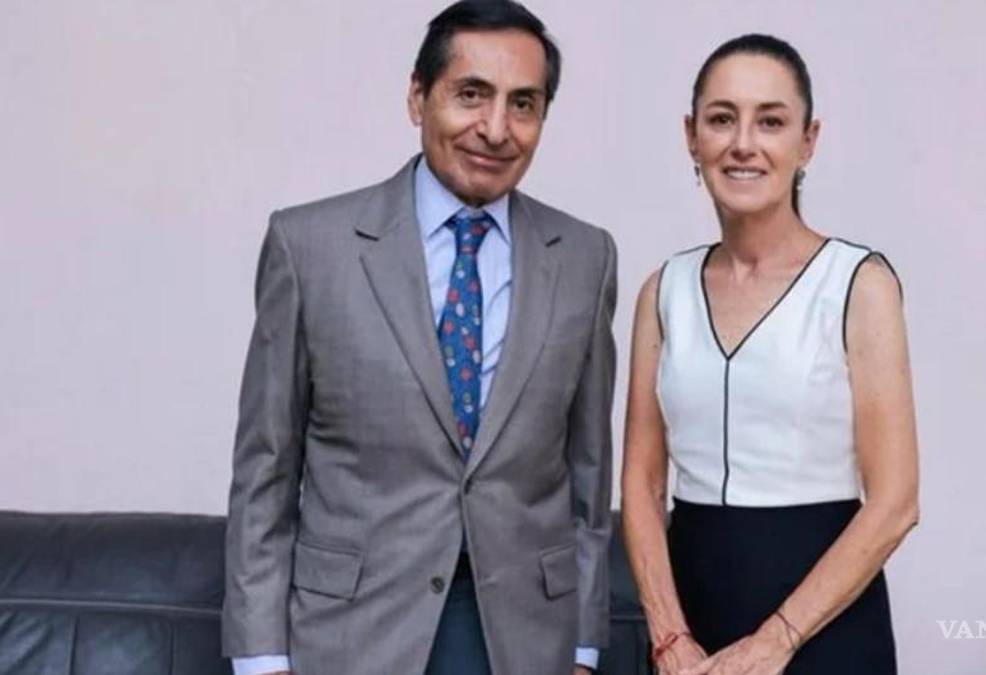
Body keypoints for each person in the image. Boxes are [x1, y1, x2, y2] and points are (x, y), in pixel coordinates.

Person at [221, 2, 615, 674]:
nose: (496, 128)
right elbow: (266, 472)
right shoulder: (309, 247)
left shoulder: (584, 257)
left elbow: (589, 474)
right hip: (351, 634)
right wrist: (261, 660)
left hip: (525, 640)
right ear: (417, 97)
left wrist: (581, 647)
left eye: (523, 104)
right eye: (471, 95)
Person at [621, 34, 919, 674]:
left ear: (808, 141)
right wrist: (669, 637)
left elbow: (896, 502)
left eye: (771, 121)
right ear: (691, 136)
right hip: (689, 630)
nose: (743, 143)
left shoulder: (858, 284)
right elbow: (642, 485)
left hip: (826, 630)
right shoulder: (663, 291)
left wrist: (776, 641)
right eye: (721, 118)